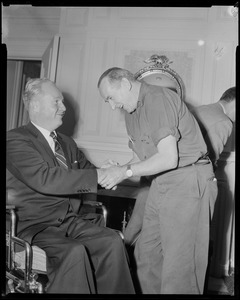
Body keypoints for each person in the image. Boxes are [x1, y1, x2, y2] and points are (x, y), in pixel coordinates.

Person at [6, 78, 135, 294]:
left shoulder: (67, 143)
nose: (64, 108)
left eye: (63, 102)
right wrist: (98, 174)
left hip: (69, 221)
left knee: (112, 241)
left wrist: (115, 172)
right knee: (74, 252)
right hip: (34, 226)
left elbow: (89, 173)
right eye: (56, 101)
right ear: (35, 105)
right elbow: (46, 178)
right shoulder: (15, 140)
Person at [97, 67, 218, 294]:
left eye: (111, 98)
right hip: (161, 182)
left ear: (125, 83)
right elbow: (142, 156)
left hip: (188, 180)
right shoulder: (131, 114)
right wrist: (119, 168)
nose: (113, 106)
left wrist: (125, 172)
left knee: (180, 268)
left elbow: (168, 158)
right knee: (147, 255)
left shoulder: (158, 98)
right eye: (108, 102)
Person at [123, 86, 236, 246]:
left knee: (137, 232)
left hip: (154, 177)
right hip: (179, 186)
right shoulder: (223, 122)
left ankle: (120, 263)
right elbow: (209, 162)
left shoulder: (200, 110)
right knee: (178, 244)